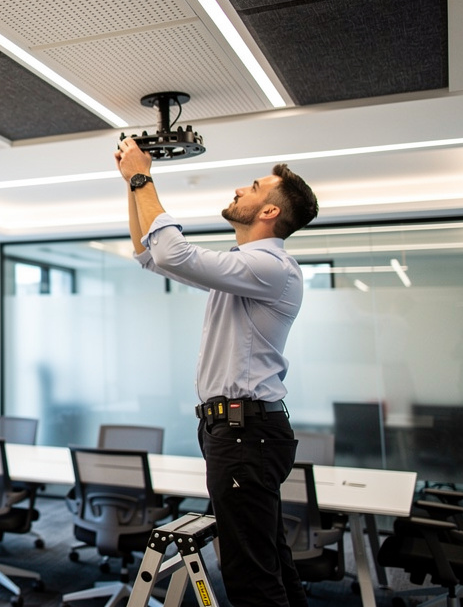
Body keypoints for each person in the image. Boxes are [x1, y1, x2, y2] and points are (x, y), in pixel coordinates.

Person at [115, 136, 319, 607]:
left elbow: (171, 254)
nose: (239, 191)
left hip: (247, 433)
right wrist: (132, 186)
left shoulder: (272, 266)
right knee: (267, 559)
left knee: (249, 573)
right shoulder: (243, 267)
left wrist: (144, 178)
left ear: (270, 212)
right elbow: (149, 254)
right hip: (237, 431)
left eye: (252, 187)